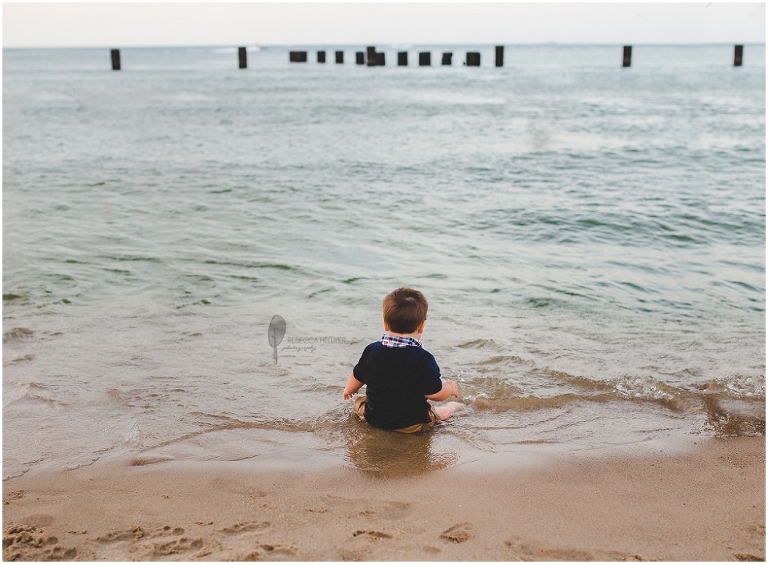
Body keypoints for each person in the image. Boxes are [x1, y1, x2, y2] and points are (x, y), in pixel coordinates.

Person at [342, 287, 464, 433]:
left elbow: (356, 376)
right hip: (411, 425)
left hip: (374, 419)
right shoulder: (424, 359)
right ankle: (450, 408)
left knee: (360, 402)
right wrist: (450, 387)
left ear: (385, 324)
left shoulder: (371, 350)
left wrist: (349, 389)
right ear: (421, 327)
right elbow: (435, 394)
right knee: (435, 413)